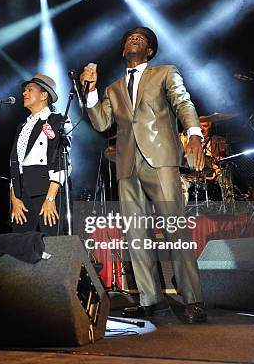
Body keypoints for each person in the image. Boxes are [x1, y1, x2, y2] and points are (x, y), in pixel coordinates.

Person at [80, 26, 207, 323]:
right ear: (124, 50)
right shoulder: (113, 88)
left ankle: (193, 299)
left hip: (160, 159)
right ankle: (150, 299)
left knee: (175, 229)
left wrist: (194, 133)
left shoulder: (165, 73)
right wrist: (90, 91)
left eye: (142, 39)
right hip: (127, 165)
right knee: (136, 235)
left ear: (149, 50)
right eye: (129, 38)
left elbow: (183, 102)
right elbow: (100, 123)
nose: (134, 39)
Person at [10, 74, 72, 236]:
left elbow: (62, 162)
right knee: (20, 246)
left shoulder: (58, 120)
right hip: (23, 194)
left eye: (30, 90)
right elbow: (15, 164)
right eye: (24, 90)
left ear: (44, 95)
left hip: (47, 190)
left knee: (54, 245)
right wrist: (15, 199)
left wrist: (51, 199)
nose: (24, 93)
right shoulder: (22, 126)